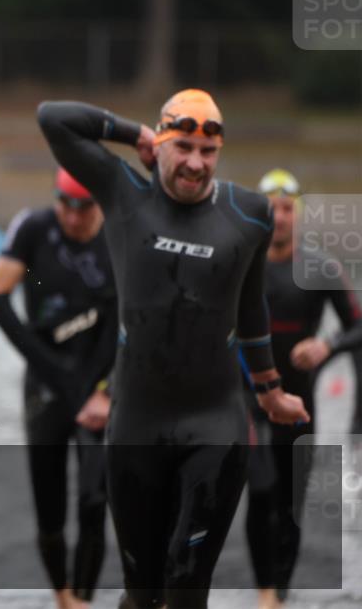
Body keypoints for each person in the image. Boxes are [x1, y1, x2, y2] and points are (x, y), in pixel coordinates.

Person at [36, 89, 310, 609]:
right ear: (160, 144)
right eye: (182, 147)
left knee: (186, 586)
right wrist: (133, 133)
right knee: (142, 593)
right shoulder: (123, 192)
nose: (195, 163)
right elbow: (53, 118)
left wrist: (270, 390)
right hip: (136, 424)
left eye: (208, 152)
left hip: (215, 424)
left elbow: (250, 307)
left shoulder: (249, 213)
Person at [0, 167, 118, 609]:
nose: (74, 217)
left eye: (84, 208)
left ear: (99, 204)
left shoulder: (119, 236)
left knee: (94, 499)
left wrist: (106, 390)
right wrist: (54, 373)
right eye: (66, 206)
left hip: (98, 385)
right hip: (47, 382)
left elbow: (132, 321)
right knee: (49, 503)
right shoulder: (34, 227)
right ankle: (63, 595)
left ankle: (83, 598)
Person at [243, 168, 362, 609]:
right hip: (251, 401)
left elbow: (358, 326)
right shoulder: (243, 266)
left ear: (298, 214)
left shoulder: (320, 267)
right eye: (271, 209)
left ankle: (279, 591)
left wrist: (325, 345)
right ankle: (264, 591)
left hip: (300, 403)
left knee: (289, 504)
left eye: (287, 209)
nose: (279, 217)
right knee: (260, 491)